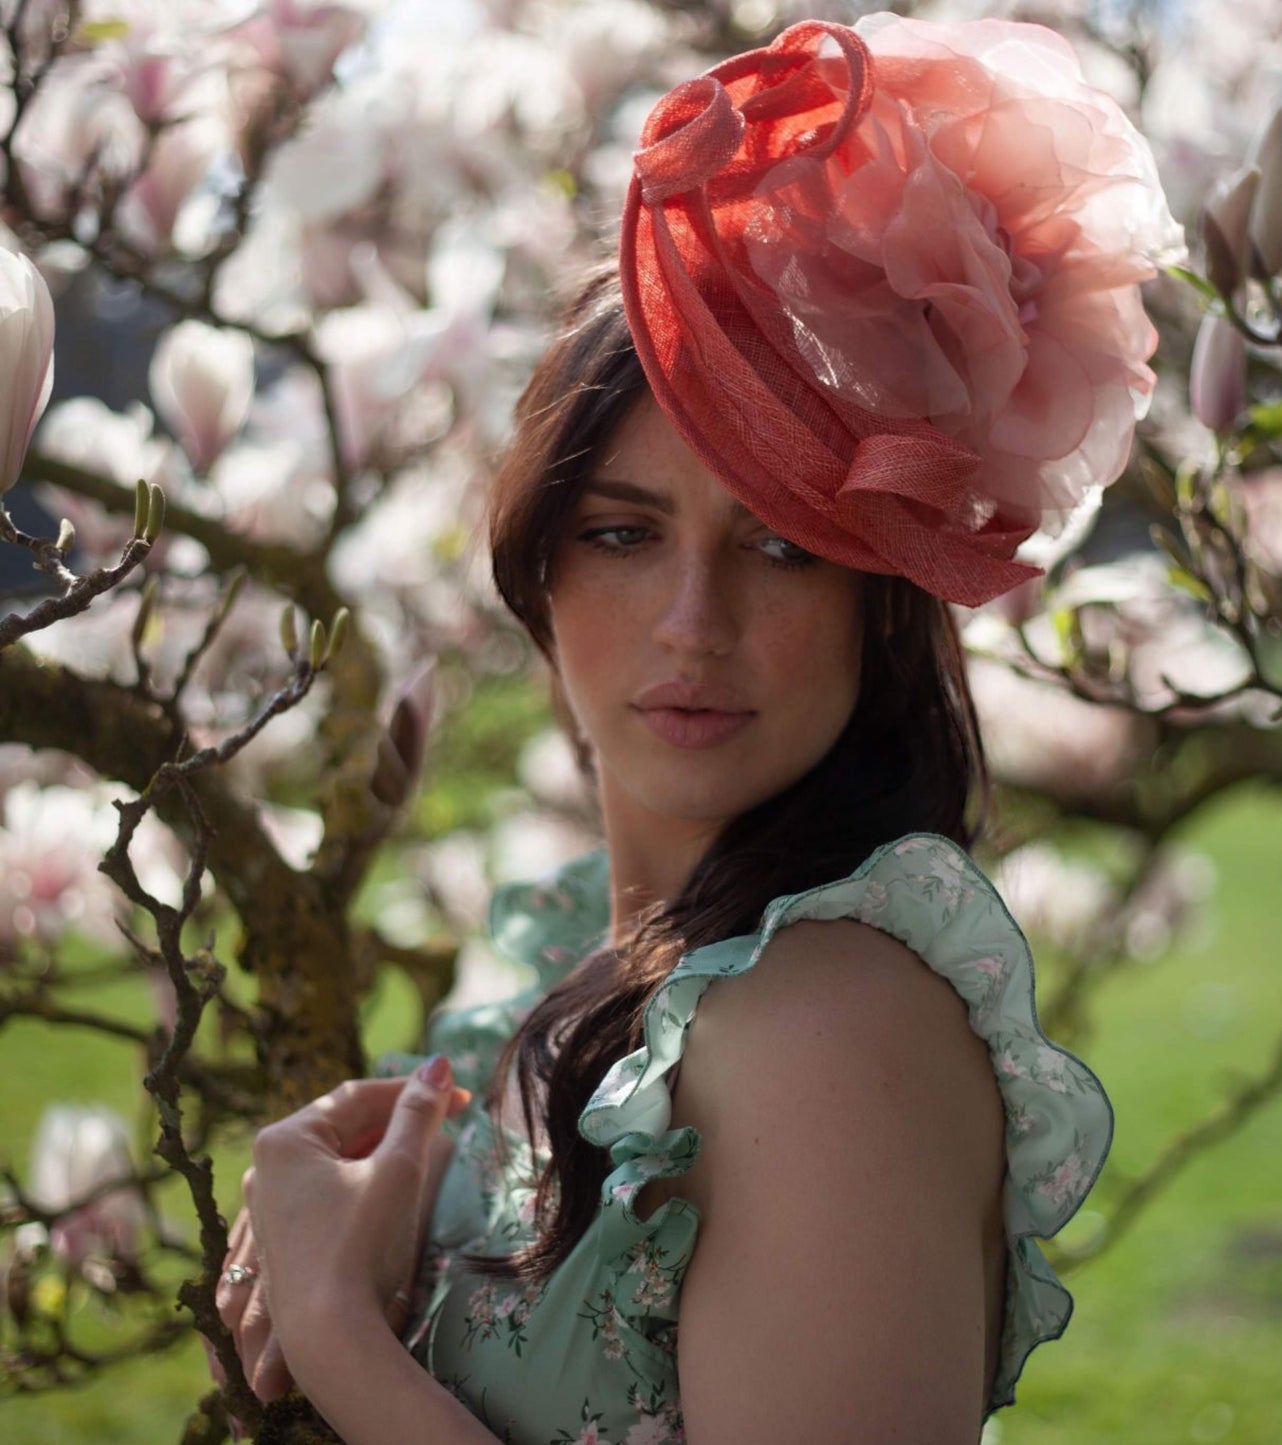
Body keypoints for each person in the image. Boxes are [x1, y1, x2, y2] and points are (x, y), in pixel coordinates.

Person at [216, 13, 1178, 1443]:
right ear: (537, 567)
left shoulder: (822, 1029)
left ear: (875, 596)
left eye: (780, 546)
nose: (689, 620)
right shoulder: (597, 960)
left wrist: (343, 1330)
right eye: (621, 531)